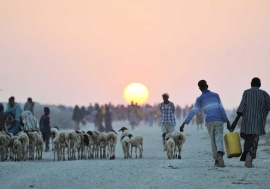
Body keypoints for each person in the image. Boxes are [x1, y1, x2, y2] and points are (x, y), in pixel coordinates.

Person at [180, 80, 230, 167]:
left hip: (209, 120)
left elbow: (193, 111)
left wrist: (184, 123)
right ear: (207, 85)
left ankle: (216, 159)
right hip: (219, 119)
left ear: (199, 88)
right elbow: (221, 108)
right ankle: (220, 154)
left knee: (212, 140)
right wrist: (227, 121)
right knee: (219, 138)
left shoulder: (200, 99)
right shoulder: (216, 95)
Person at [230, 77, 270, 168]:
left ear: (251, 84)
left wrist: (234, 122)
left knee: (248, 140)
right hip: (257, 123)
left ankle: (247, 154)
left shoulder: (246, 93)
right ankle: (249, 157)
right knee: (254, 141)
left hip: (246, 124)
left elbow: (241, 109)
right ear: (260, 85)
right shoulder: (263, 94)